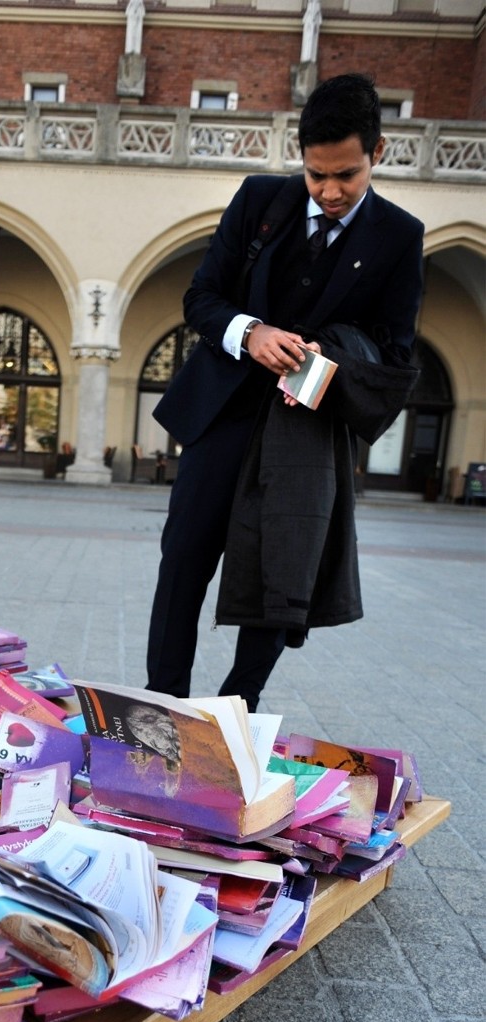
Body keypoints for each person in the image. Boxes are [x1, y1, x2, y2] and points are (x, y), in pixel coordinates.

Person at [145, 73, 424, 709]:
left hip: (306, 432)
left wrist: (334, 356)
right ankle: (164, 708)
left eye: (346, 175)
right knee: (182, 564)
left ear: (377, 154)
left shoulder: (399, 236)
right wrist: (251, 331)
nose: (329, 191)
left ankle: (232, 712)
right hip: (223, 419)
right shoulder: (258, 200)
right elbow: (202, 297)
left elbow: (396, 352)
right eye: (316, 174)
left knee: (282, 574)